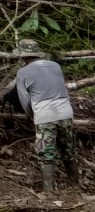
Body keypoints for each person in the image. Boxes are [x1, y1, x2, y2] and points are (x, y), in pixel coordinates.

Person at [10, 42, 78, 193]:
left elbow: (25, 100)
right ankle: (75, 186)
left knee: (46, 153)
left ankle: (48, 191)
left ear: (22, 56)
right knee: (69, 150)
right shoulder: (55, 66)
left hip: (44, 114)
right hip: (66, 111)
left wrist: (31, 116)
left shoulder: (22, 73)